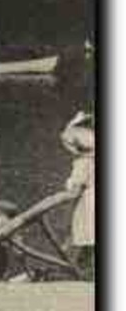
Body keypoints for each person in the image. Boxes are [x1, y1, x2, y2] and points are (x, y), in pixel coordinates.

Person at [61, 110, 95, 280]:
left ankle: (85, 271)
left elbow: (76, 183)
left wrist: (69, 186)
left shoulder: (84, 161)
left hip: (89, 201)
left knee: (86, 233)